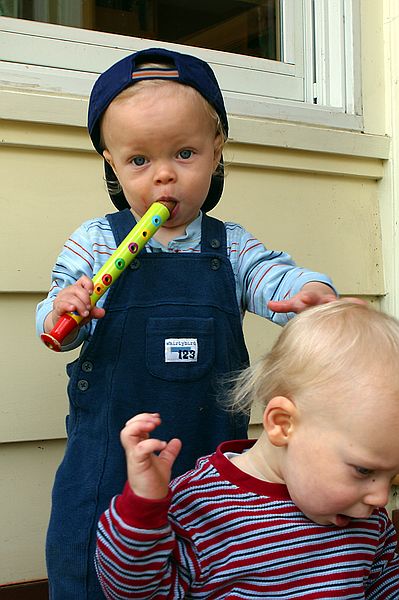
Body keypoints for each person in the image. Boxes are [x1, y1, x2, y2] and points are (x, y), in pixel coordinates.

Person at [36, 47, 338, 598]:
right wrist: (65, 313)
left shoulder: (232, 245)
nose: (164, 176)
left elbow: (270, 277)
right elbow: (57, 317)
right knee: (90, 565)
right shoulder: (97, 242)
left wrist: (302, 292)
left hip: (211, 465)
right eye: (139, 161)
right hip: (108, 459)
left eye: (184, 152)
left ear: (217, 152)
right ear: (111, 161)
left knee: (208, 564)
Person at [95, 301, 399, 599]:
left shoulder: (369, 522)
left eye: (393, 474)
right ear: (282, 424)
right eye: (364, 470)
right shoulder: (200, 509)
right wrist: (143, 510)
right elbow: (135, 592)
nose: (381, 497)